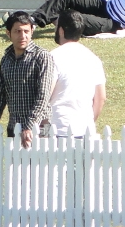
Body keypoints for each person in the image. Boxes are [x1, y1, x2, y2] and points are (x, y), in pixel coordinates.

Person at [0, 11, 53, 152]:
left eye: (26, 31)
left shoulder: (42, 57)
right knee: (16, 172)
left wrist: (29, 126)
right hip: (14, 127)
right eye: (17, 31)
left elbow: (43, 96)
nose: (22, 36)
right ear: (8, 33)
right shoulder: (6, 60)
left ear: (32, 31)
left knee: (41, 171)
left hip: (41, 127)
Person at [43, 10, 106, 139]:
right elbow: (101, 98)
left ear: (61, 30)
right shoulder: (93, 59)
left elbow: (45, 94)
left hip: (58, 128)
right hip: (85, 130)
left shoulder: (52, 57)